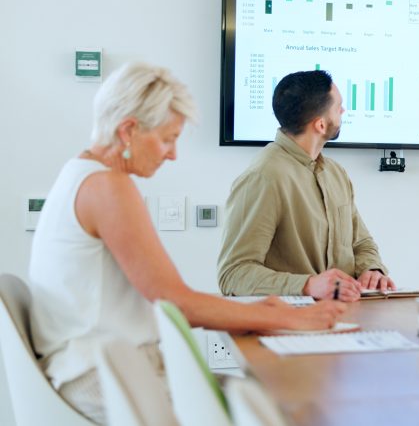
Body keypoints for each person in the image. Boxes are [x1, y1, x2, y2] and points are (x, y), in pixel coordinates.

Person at [28, 63, 349, 424]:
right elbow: (174, 301)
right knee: (268, 404)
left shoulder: (82, 174)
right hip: (102, 375)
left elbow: (169, 297)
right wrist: (287, 318)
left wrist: (263, 311)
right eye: (168, 139)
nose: (172, 154)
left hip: (115, 362)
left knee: (245, 386)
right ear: (129, 130)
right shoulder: (107, 188)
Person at [218, 70, 396, 300]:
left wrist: (371, 269)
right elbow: (233, 274)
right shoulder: (264, 178)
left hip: (347, 316)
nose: (343, 111)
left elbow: (361, 242)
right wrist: (308, 285)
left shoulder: (336, 173)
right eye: (338, 107)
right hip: (293, 325)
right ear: (320, 125)